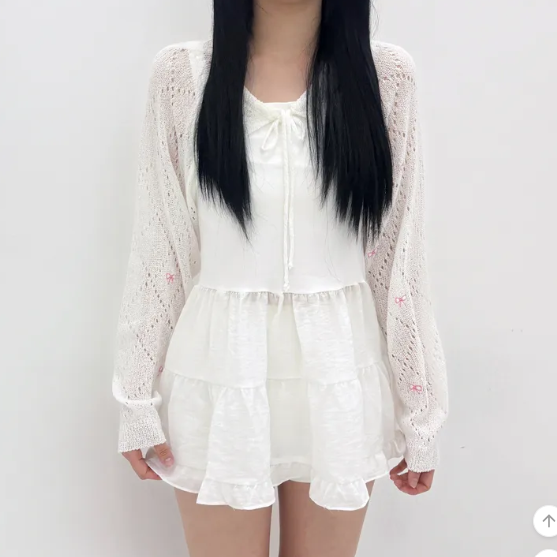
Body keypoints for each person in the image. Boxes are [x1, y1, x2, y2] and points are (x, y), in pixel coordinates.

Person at [111, 0, 449, 555]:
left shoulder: (387, 77)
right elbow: (161, 248)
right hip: (221, 372)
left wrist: (423, 412)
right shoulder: (182, 76)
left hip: (338, 372)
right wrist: (136, 397)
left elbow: (398, 258)